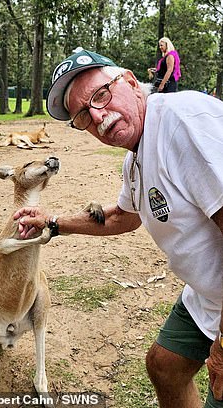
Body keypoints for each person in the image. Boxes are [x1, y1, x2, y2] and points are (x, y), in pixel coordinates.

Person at [14, 48, 223, 408]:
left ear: (128, 80)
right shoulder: (136, 157)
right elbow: (123, 216)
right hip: (209, 294)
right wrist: (51, 222)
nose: (99, 117)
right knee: (165, 366)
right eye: (84, 116)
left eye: (101, 95)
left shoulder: (183, 125)